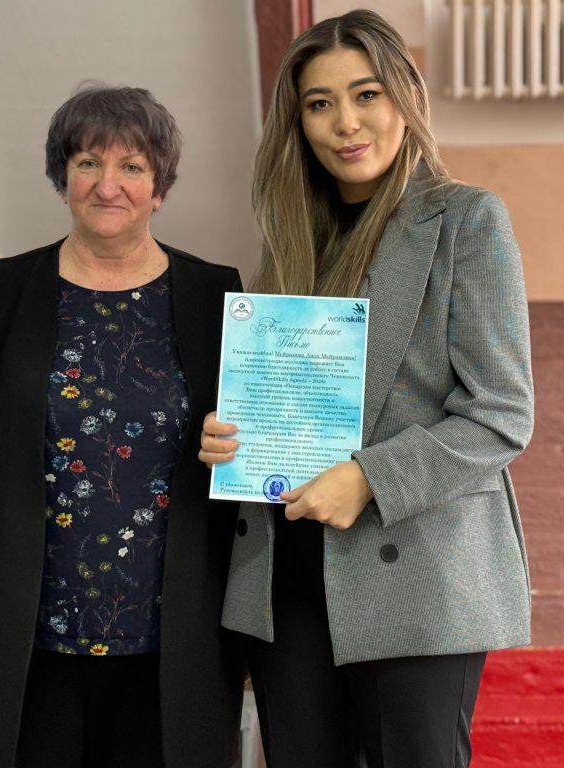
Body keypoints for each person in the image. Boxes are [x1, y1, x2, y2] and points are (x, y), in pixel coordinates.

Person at [200, 9, 534, 768]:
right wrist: (232, 438)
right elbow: (284, 401)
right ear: (298, 123)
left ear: (405, 98)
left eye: (366, 94)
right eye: (320, 103)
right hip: (285, 577)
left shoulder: (467, 220)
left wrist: (368, 478)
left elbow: (500, 414)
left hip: (415, 569)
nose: (345, 123)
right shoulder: (291, 239)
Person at [0, 85, 245, 768]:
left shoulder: (219, 297)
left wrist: (239, 446)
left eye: (132, 167)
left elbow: (255, 456)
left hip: (177, 642)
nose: (107, 185)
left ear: (160, 187)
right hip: (24, 639)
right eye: (88, 162)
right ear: (63, 176)